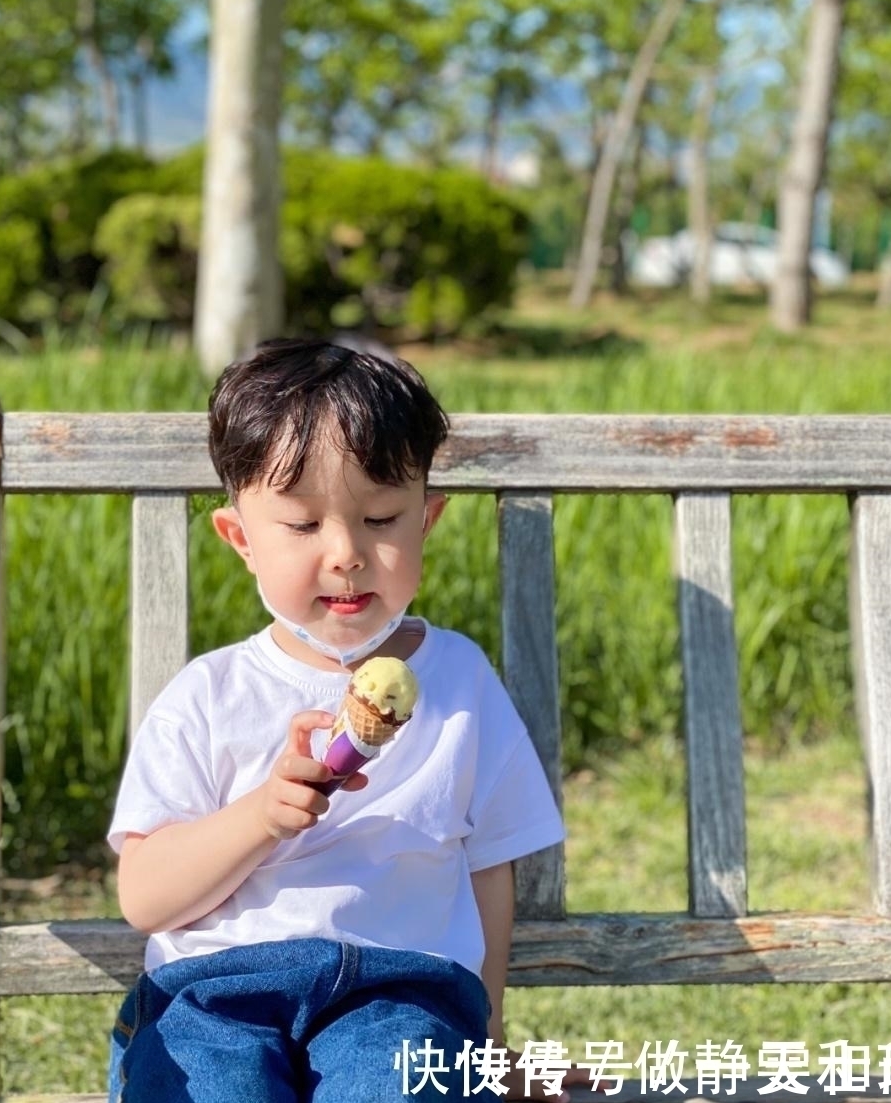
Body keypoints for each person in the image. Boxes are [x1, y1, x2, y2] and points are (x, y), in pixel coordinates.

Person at [107, 338, 594, 1102]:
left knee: (400, 1081)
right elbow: (145, 896)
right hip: (215, 996)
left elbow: (489, 866)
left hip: (399, 995)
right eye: (301, 526)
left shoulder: (460, 681)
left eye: (380, 517)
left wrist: (490, 1043)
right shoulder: (208, 695)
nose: (347, 553)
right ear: (240, 538)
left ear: (426, 520)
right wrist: (262, 815)